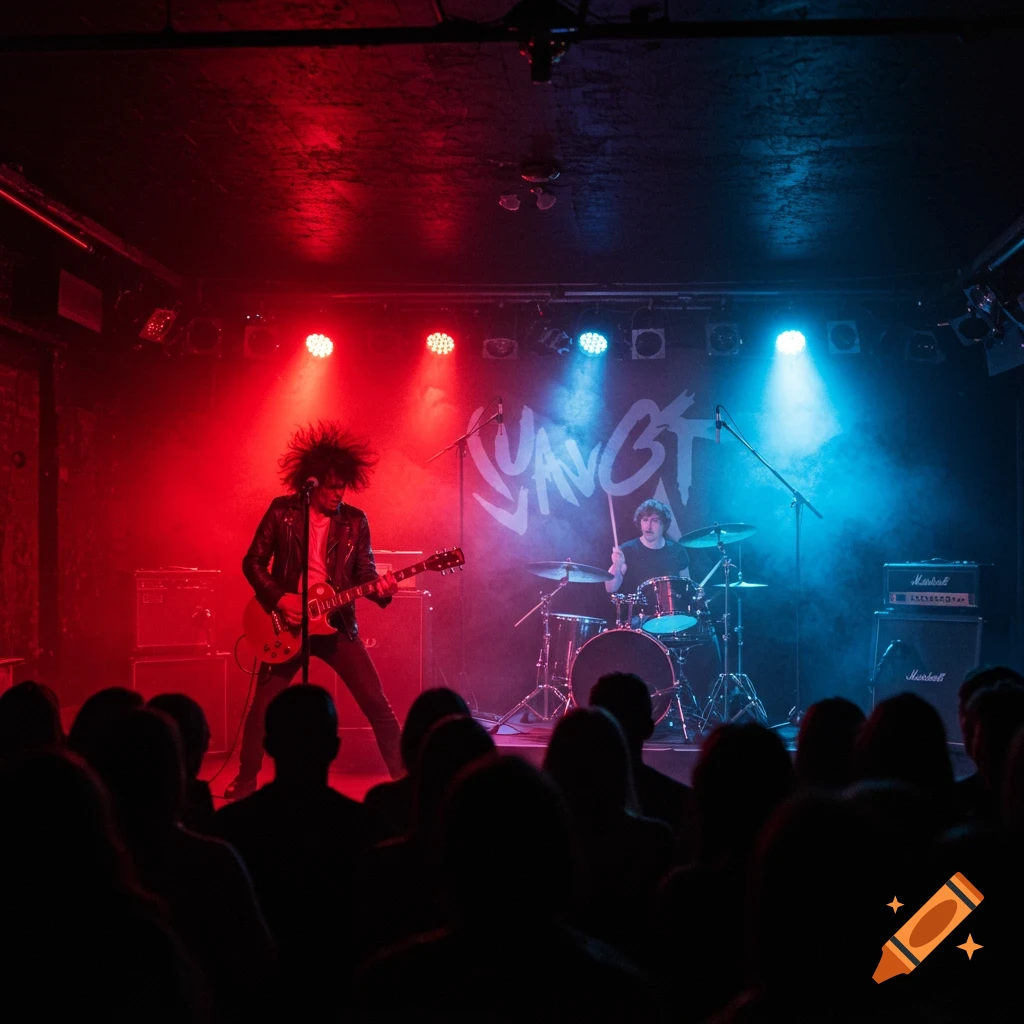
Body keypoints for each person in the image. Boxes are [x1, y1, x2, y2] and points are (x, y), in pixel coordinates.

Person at [226, 423, 402, 799]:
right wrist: (279, 598)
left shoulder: (355, 521)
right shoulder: (283, 511)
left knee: (376, 701)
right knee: (262, 708)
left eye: (343, 486)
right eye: (333, 485)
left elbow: (366, 574)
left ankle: (406, 780)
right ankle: (245, 780)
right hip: (286, 625)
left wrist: (383, 591)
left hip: (336, 624)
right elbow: (252, 561)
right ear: (313, 482)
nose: (340, 492)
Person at [604, 498, 689, 597]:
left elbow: (685, 586)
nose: (648, 526)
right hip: (638, 611)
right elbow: (610, 588)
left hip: (670, 611)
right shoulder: (627, 550)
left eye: (655, 520)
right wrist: (617, 565)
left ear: (664, 524)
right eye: (645, 520)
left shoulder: (677, 550)